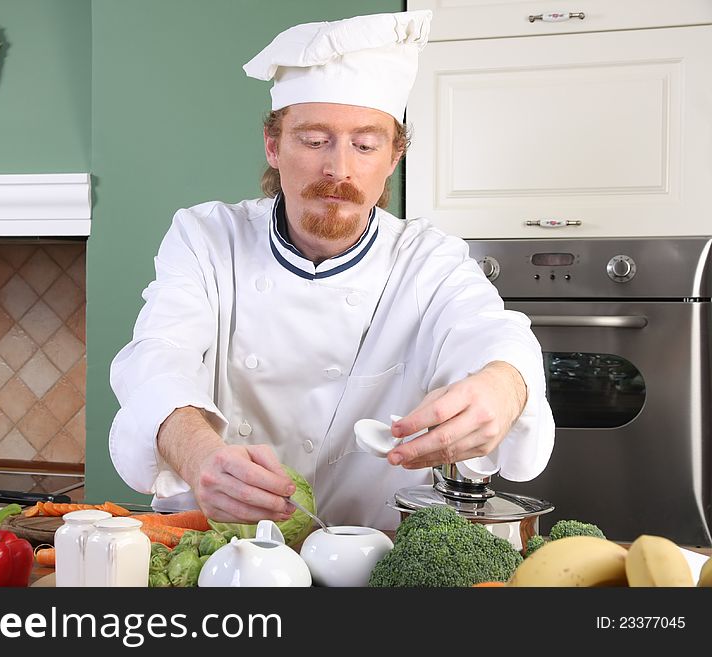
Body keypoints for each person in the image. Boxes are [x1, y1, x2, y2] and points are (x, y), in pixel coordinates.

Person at [108, 10, 554, 530]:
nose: (338, 169)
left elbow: (494, 336)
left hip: (375, 556)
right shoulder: (206, 238)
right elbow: (158, 358)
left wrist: (503, 387)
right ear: (274, 147)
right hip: (215, 549)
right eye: (314, 140)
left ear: (393, 158)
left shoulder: (427, 260)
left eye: (365, 145)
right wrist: (199, 454)